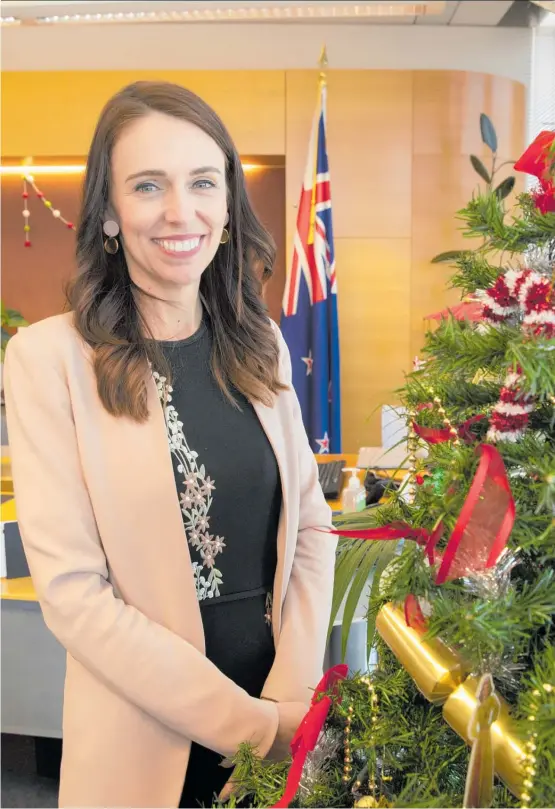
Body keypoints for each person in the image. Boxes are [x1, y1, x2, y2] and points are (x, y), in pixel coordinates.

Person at [3, 81, 337, 808]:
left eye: (202, 182)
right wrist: (249, 725)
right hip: (144, 745)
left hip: (283, 735)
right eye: (148, 185)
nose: (179, 211)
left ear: (225, 210)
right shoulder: (46, 358)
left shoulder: (260, 344)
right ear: (110, 214)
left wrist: (287, 703)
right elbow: (74, 596)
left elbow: (312, 526)